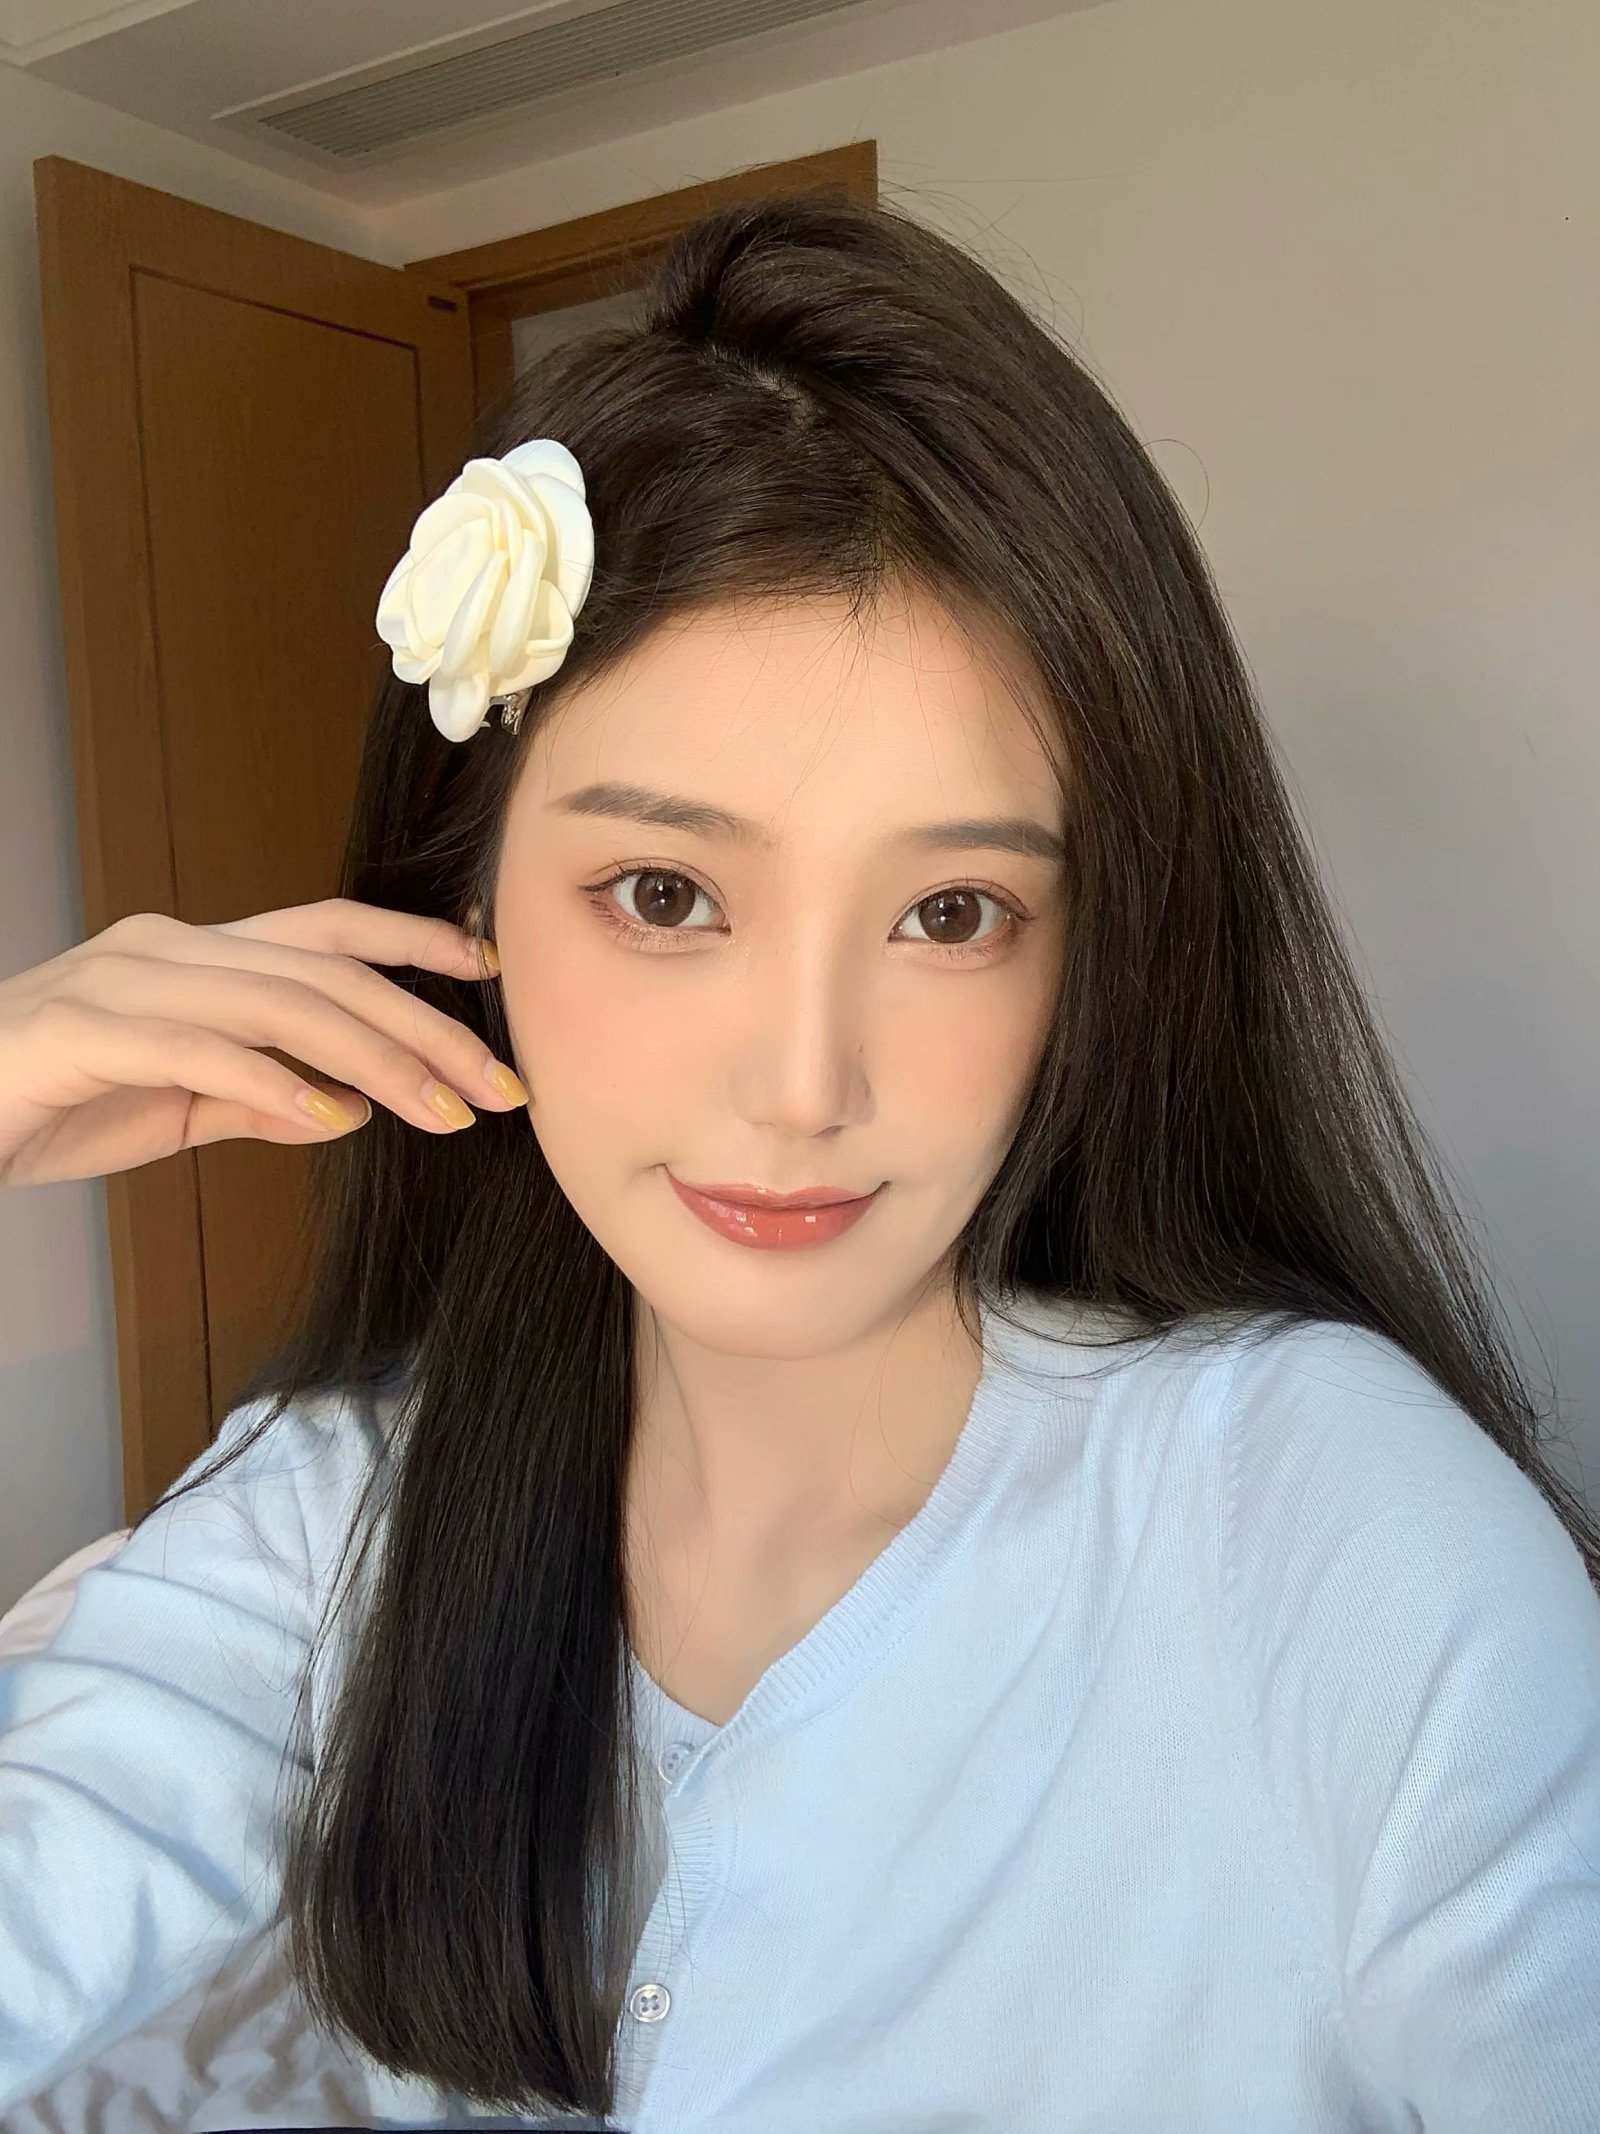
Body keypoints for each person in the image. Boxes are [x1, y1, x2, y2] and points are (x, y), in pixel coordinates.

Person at [1, 188, 1597, 2133]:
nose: (802, 1083)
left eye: (950, 914)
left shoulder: (1323, 1527)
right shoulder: (351, 1506)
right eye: (665, 892)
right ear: (470, 899)